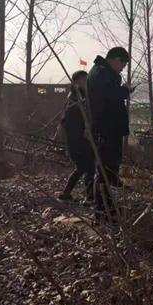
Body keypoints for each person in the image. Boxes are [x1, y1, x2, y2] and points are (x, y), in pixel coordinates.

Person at [87, 47, 133, 219]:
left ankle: (107, 207)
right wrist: (125, 90)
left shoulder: (102, 72)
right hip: (106, 130)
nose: (122, 69)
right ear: (117, 60)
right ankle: (102, 211)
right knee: (105, 171)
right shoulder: (101, 73)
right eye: (123, 65)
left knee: (109, 170)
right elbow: (110, 96)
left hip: (108, 129)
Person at [58, 70, 95, 204]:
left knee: (84, 168)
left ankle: (67, 194)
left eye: (87, 80)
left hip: (82, 139)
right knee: (87, 167)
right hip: (76, 140)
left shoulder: (83, 97)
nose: (86, 83)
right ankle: (88, 198)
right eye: (84, 81)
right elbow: (68, 119)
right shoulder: (74, 99)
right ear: (76, 83)